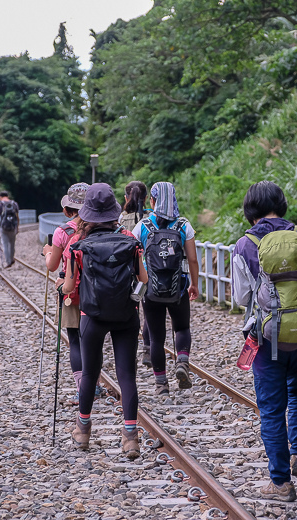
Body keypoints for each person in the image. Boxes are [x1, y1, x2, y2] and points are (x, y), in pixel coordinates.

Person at [231, 181, 297, 502]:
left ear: (250, 211)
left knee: (272, 409)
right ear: (282, 205)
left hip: (265, 338)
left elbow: (241, 296)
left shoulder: (245, 245)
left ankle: (280, 482)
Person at [60, 183, 148, 459]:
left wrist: (61, 286)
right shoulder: (129, 239)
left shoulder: (77, 244)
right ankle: (130, 438)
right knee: (126, 375)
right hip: (126, 316)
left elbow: (69, 286)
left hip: (92, 317)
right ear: (114, 211)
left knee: (89, 373)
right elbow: (144, 280)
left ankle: (83, 431)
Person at [132, 182, 199, 394]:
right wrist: (194, 284)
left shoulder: (142, 226)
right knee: (182, 327)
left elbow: (133, 257)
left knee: (157, 337)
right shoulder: (183, 225)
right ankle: (181, 361)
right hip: (177, 289)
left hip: (150, 291)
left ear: (152, 201)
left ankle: (161, 384)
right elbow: (193, 260)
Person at [43, 183, 99, 405]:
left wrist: (47, 253)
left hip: (72, 290)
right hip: (98, 290)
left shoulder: (63, 232)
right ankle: (93, 385)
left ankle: (83, 389)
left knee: (75, 339)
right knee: (93, 340)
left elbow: (52, 264)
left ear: (68, 210)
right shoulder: (101, 227)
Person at [119, 181, 153, 368]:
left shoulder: (121, 219)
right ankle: (147, 349)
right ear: (146, 198)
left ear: (126, 198)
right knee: (148, 312)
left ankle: (129, 350)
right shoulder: (151, 217)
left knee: (133, 310)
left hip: (128, 274)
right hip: (148, 274)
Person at [0, 190, 20, 268]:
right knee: (12, 244)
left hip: (4, 227)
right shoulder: (14, 204)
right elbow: (17, 217)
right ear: (7, 196)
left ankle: (8, 261)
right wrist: (17, 227)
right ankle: (11, 259)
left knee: (5, 244)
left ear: (0, 197)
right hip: (12, 226)